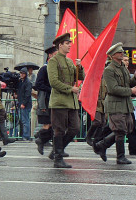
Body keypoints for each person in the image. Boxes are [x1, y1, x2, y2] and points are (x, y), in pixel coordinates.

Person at [93, 43, 136, 164]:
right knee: (120, 130)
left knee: (127, 128)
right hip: (115, 104)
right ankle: (120, 157)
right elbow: (113, 88)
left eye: (122, 52)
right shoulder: (109, 70)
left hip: (125, 104)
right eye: (119, 52)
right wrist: (130, 91)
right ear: (113, 55)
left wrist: (135, 78)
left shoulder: (124, 68)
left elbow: (129, 83)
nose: (122, 53)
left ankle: (102, 145)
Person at [47, 32, 84, 168]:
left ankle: (58, 150)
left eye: (70, 43)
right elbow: (54, 82)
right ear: (60, 45)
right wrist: (70, 89)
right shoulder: (53, 61)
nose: (69, 45)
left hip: (71, 101)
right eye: (67, 43)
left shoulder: (69, 61)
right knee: (59, 130)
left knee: (75, 128)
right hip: (59, 101)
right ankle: (58, 158)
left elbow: (79, 77)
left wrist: (79, 67)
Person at [33, 45, 58, 155]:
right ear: (50, 55)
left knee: (54, 124)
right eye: (56, 54)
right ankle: (41, 139)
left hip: (54, 99)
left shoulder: (55, 68)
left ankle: (43, 139)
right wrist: (51, 89)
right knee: (48, 123)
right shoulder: (44, 68)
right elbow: (38, 84)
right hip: (46, 99)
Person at [84, 72, 106, 147]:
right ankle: (89, 136)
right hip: (95, 102)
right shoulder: (93, 78)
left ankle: (96, 140)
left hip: (103, 103)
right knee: (97, 121)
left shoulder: (105, 78)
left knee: (103, 122)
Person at [17, 67, 33, 141]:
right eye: (21, 73)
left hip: (25, 104)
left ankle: (26, 136)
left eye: (23, 73)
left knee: (25, 120)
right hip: (22, 103)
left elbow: (27, 94)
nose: (21, 75)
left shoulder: (28, 82)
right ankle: (24, 135)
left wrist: (23, 103)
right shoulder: (21, 82)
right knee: (24, 120)